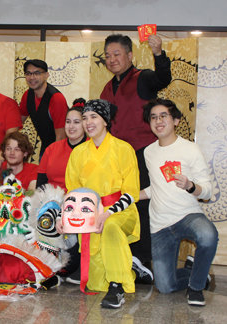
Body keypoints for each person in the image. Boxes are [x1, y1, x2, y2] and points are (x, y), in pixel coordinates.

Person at [101, 34, 172, 270]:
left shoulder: (143, 78)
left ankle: (143, 257)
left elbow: (163, 78)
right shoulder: (106, 87)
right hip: (117, 157)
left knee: (141, 203)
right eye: (108, 55)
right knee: (119, 202)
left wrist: (159, 53)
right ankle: (123, 250)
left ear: (130, 56)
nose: (111, 59)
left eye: (117, 54)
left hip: (142, 153)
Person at [62, 99, 140, 309]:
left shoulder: (123, 149)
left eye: (93, 117)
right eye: (84, 118)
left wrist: (108, 212)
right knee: (97, 282)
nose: (88, 122)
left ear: (105, 121)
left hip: (121, 209)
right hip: (89, 211)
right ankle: (126, 268)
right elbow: (73, 191)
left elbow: (132, 192)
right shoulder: (78, 152)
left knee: (111, 226)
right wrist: (65, 218)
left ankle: (117, 286)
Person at [140, 99, 217, 306]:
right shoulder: (149, 152)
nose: (158, 121)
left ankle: (196, 287)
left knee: (208, 235)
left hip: (187, 216)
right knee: (165, 286)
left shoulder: (191, 149)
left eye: (163, 116)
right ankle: (196, 272)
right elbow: (155, 187)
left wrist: (190, 185)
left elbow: (207, 191)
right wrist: (130, 196)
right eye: (153, 117)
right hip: (160, 225)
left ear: (176, 120)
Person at [19, 59, 69, 157]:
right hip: (46, 146)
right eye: (28, 73)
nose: (32, 77)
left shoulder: (56, 98)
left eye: (37, 73)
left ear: (46, 75)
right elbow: (17, 122)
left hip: (62, 149)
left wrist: (53, 159)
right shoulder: (27, 95)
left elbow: (61, 136)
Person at [36, 98, 87, 192]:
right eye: (68, 122)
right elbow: (41, 185)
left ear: (85, 124)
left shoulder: (94, 149)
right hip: (53, 201)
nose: (71, 126)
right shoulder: (52, 148)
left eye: (76, 122)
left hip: (82, 201)